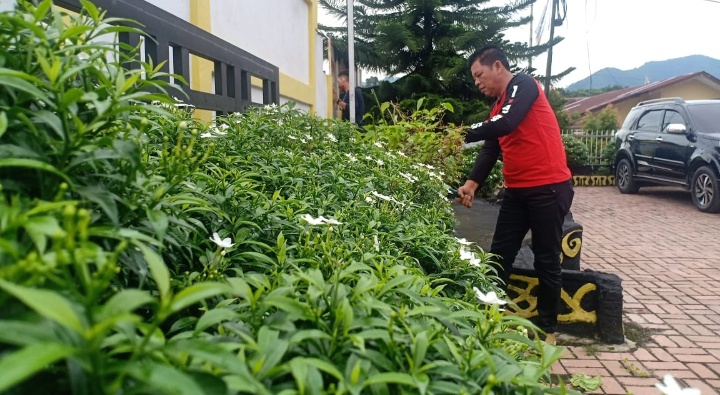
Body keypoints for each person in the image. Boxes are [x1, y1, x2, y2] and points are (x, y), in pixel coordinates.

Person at [456, 44, 574, 346]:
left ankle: (548, 330)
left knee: (546, 258)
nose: (478, 82)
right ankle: (490, 318)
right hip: (517, 191)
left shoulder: (524, 85)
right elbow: (492, 146)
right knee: (499, 255)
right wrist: (472, 183)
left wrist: (458, 133)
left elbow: (508, 123)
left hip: (548, 188)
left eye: (479, 75)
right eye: (474, 79)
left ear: (498, 66)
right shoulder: (497, 108)